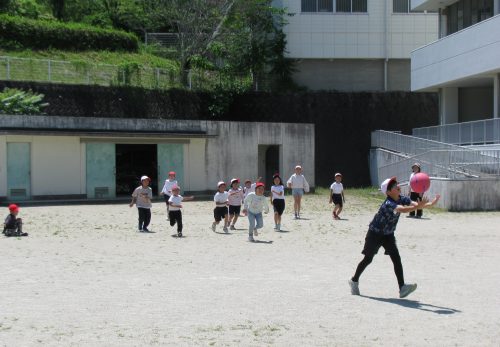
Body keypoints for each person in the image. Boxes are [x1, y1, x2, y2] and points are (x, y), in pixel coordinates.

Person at [348, 177, 440, 298]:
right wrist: (418, 207)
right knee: (368, 259)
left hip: (388, 234)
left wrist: (431, 203)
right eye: (395, 186)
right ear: (388, 192)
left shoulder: (402, 198)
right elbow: (402, 209)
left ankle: (402, 287)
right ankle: (354, 280)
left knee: (396, 258)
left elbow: (416, 204)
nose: (398, 187)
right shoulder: (388, 203)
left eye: (397, 185)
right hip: (375, 234)